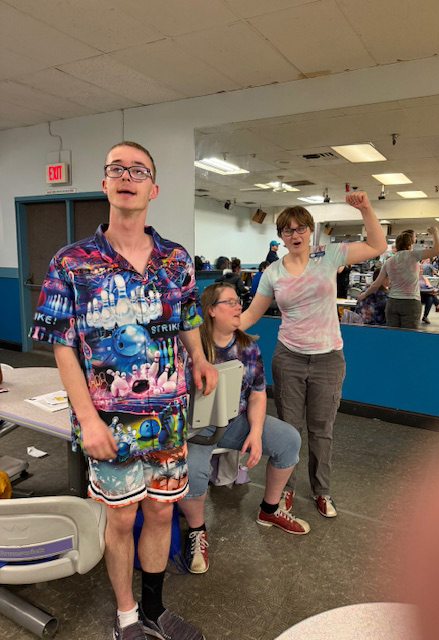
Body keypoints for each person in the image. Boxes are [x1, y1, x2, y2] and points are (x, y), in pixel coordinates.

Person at [30, 141, 218, 640]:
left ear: (153, 188)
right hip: (109, 422)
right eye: (117, 168)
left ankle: (154, 610)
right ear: (105, 184)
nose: (127, 177)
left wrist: (200, 358)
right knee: (121, 518)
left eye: (139, 171)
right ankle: (126, 615)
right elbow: (62, 347)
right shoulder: (72, 262)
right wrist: (88, 420)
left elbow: (188, 317)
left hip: (169, 418)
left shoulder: (175, 259)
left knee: (160, 510)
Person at [240, 192, 387, 518]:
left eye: (301, 228)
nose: (295, 235)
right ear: (280, 236)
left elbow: (377, 246)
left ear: (310, 231)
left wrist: (366, 208)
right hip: (289, 359)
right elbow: (251, 314)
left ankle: (322, 491)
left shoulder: (329, 255)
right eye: (288, 230)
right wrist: (212, 332)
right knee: (289, 431)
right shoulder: (273, 272)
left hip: (328, 359)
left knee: (322, 430)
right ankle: (285, 490)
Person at [180, 283, 310, 574]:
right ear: (211, 310)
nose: (239, 306)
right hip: (196, 429)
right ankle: (197, 531)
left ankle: (270, 509)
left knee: (289, 440)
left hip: (235, 421)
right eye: (230, 302)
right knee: (193, 471)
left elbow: (257, 395)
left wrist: (255, 432)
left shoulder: (248, 348)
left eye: (239, 301)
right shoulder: (190, 347)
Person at [358, 227, 439, 330]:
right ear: (410, 244)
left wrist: (364, 294)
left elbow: (376, 284)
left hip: (392, 303)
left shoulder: (388, 262)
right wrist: (435, 233)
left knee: (393, 335)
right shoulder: (413, 255)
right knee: (408, 335)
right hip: (410, 303)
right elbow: (438, 250)